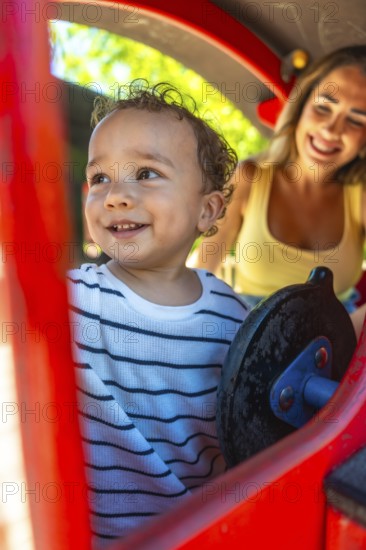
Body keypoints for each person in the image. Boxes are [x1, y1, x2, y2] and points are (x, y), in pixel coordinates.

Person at [66, 80, 249, 547]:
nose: (116, 195)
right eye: (101, 178)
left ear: (206, 211)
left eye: (145, 174)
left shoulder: (234, 318)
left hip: (199, 534)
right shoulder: (73, 298)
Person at [190, 45, 366, 313]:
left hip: (338, 343)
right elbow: (200, 276)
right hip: (250, 339)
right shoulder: (251, 177)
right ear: (302, 105)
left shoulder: (360, 195)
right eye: (323, 107)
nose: (331, 130)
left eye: (355, 121)